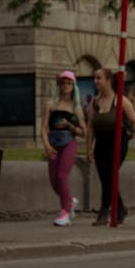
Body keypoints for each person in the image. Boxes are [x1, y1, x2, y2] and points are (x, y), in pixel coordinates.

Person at [85, 67, 135, 226]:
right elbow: (90, 127)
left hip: (118, 143)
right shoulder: (94, 102)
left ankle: (104, 211)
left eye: (99, 78)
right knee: (107, 178)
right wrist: (88, 148)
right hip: (101, 144)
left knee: (109, 176)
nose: (95, 81)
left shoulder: (121, 101)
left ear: (108, 80)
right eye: (95, 78)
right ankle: (120, 208)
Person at [40, 69, 86, 227]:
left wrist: (69, 126)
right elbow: (43, 128)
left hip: (68, 143)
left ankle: (65, 212)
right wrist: (46, 145)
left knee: (61, 176)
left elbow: (84, 132)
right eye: (63, 83)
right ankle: (69, 201)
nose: (66, 86)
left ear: (73, 86)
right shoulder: (51, 105)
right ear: (58, 85)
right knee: (54, 181)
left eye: (69, 83)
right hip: (53, 142)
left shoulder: (76, 108)